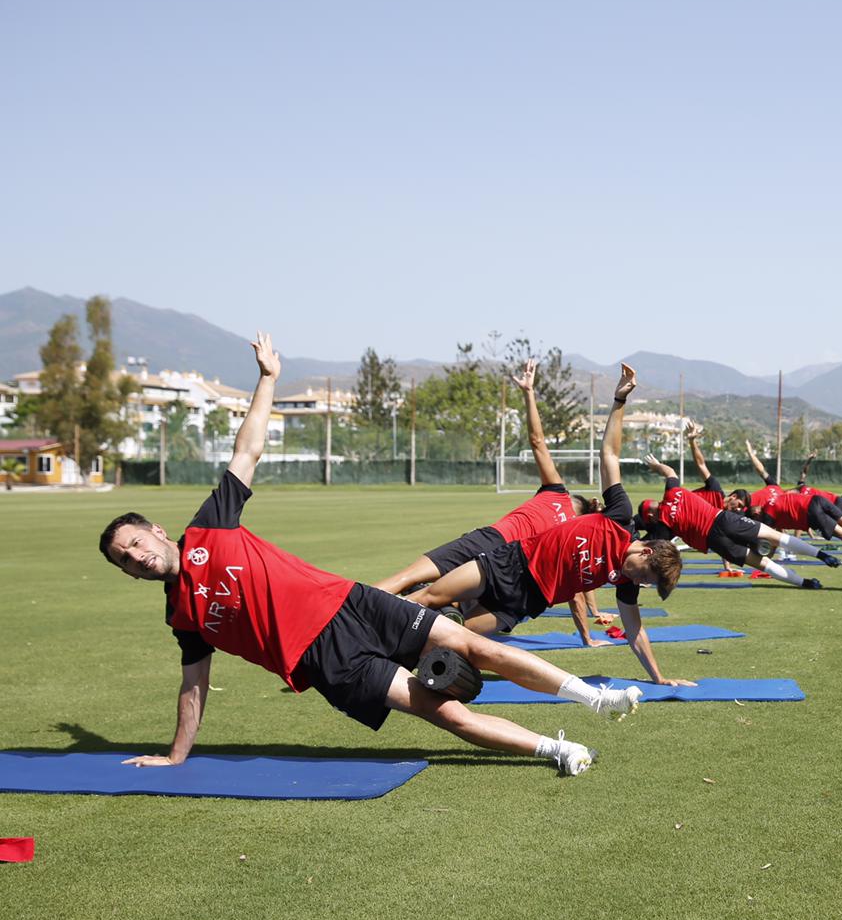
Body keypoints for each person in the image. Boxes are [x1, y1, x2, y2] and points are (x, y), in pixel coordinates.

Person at [98, 333, 637, 777]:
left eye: (136, 543)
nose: (137, 557)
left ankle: (592, 697)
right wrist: (175, 755)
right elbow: (193, 688)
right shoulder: (182, 617)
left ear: (157, 532)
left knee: (472, 646)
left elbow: (248, 449)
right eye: (126, 559)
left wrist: (267, 380)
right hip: (324, 661)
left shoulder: (211, 526)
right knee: (442, 711)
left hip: (350, 603)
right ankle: (556, 750)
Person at [407, 365, 690, 685]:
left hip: (525, 600)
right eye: (645, 574)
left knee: (456, 640)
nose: (641, 581)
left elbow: (635, 632)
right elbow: (609, 454)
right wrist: (619, 400)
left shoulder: (625, 583)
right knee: (428, 597)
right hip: (508, 563)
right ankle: (363, 622)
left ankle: (393, 659)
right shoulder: (620, 518)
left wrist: (659, 678)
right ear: (646, 550)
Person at [371, 358, 610, 639]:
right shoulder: (570, 533)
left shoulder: (556, 491)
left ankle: (351, 612)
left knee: (408, 577)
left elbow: (537, 441)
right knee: (455, 630)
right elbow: (575, 595)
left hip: (490, 541)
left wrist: (529, 393)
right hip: (510, 572)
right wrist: (587, 638)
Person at [636, 453, 839, 588]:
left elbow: (649, 548)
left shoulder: (663, 526)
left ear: (651, 517)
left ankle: (805, 583)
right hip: (723, 519)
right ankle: (820, 554)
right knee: (774, 535)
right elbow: (670, 472)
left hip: (715, 541)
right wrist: (656, 466)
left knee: (762, 563)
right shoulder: (673, 492)